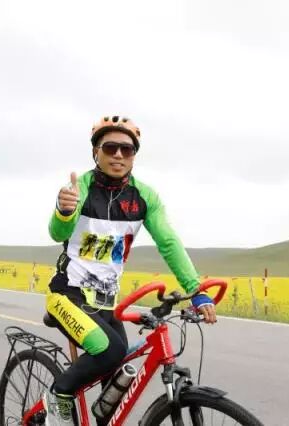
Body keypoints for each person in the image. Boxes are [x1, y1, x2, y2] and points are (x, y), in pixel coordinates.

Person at [43, 115, 217, 426]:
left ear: (134, 155)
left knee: (116, 378)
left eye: (127, 149)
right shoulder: (79, 188)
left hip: (106, 304)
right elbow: (58, 233)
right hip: (68, 296)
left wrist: (196, 291)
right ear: (96, 152)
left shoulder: (145, 197)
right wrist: (64, 211)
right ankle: (58, 394)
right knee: (110, 353)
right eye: (110, 148)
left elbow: (168, 242)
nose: (119, 155)